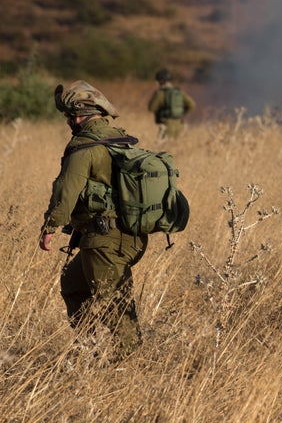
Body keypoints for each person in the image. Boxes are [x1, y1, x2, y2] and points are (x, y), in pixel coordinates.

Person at [39, 80, 148, 360]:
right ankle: (88, 347)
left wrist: (50, 226)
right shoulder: (117, 136)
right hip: (128, 236)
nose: (68, 121)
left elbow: (66, 189)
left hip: (105, 238)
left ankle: (130, 362)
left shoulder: (84, 144)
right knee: (74, 283)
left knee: (113, 303)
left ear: (79, 114)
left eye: (69, 115)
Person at [147, 68, 196, 140]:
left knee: (163, 149)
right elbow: (192, 105)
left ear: (161, 81)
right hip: (179, 125)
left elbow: (151, 108)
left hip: (166, 125)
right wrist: (181, 112)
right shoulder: (179, 92)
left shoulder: (160, 93)